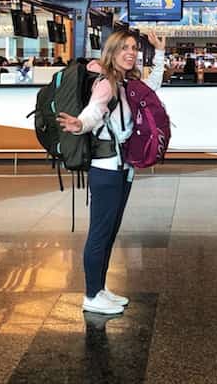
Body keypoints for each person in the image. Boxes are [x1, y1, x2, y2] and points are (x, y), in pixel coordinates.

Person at [57, 30, 166, 316]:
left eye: (133, 48)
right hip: (106, 170)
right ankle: (91, 294)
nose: (131, 52)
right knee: (100, 233)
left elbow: (152, 87)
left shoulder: (126, 82)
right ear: (112, 51)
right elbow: (94, 111)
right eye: (124, 48)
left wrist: (160, 53)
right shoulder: (106, 83)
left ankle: (100, 288)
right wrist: (79, 124)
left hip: (122, 168)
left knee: (110, 232)